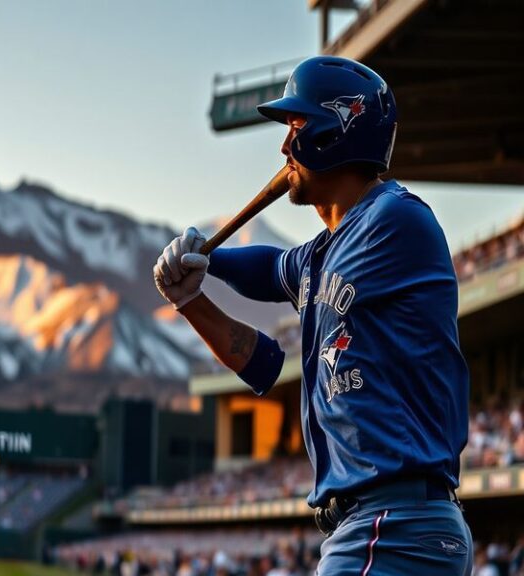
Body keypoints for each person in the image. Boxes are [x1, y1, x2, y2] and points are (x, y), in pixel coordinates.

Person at [153, 56, 472, 575]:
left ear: (334, 133)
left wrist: (205, 268)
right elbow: (265, 346)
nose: (284, 147)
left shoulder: (394, 221)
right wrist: (201, 275)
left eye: (297, 127)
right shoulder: (328, 250)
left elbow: (289, 277)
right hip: (379, 525)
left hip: (394, 523)